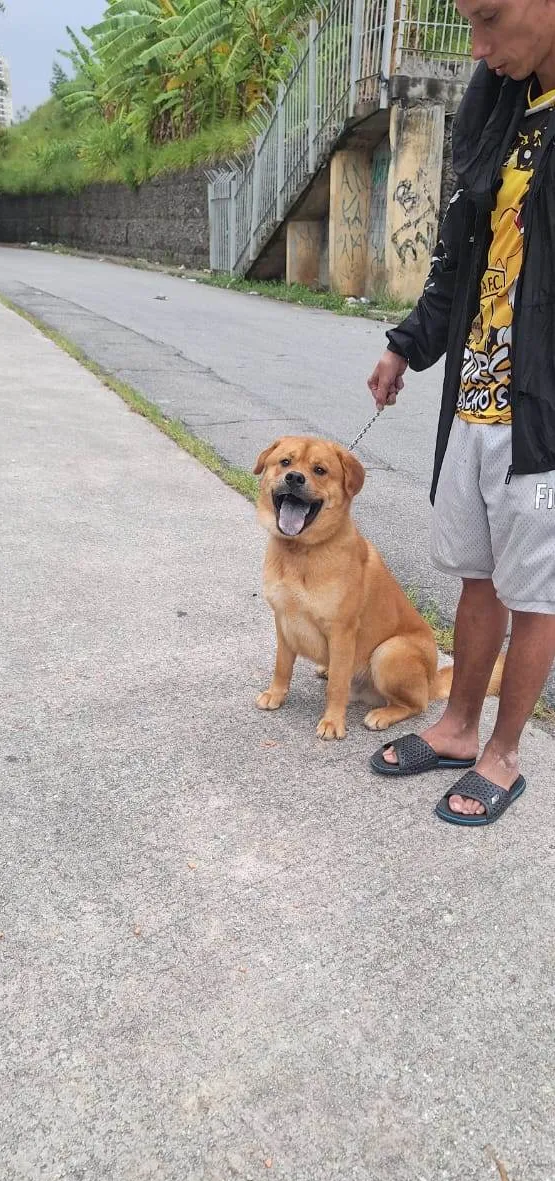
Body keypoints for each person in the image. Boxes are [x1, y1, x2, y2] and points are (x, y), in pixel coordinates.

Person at [367, 0, 555, 826]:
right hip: (476, 399)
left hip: (543, 420)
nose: (477, 48)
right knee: (477, 577)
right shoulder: (498, 100)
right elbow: (459, 243)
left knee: (536, 594)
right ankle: (454, 726)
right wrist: (408, 344)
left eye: (487, 20)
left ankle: (503, 754)